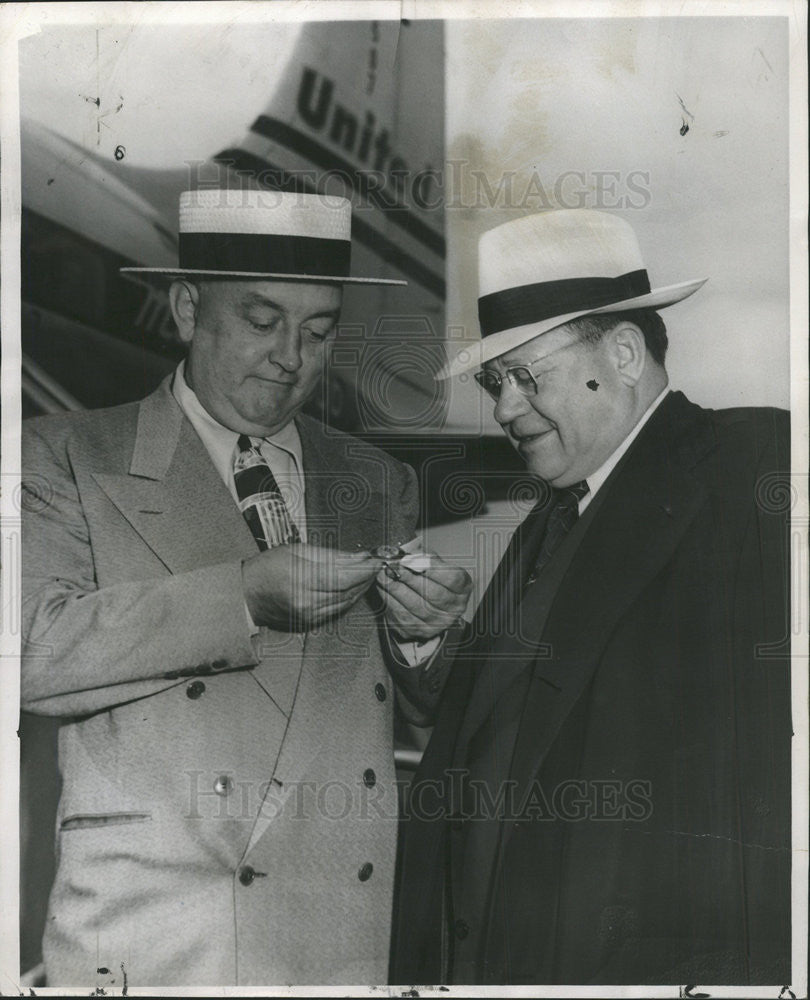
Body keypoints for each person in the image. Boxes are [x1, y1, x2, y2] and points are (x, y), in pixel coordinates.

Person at [21, 188, 471, 987]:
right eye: (262, 322)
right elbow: (29, 651)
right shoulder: (62, 456)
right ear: (188, 308)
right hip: (151, 940)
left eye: (318, 331)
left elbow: (431, 708)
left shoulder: (375, 480)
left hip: (336, 933)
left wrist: (423, 636)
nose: (290, 356)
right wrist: (240, 596)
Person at [392, 209, 791, 986]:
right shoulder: (555, 514)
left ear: (624, 352)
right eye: (494, 381)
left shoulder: (755, 469)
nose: (504, 410)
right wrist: (435, 642)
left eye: (525, 377)